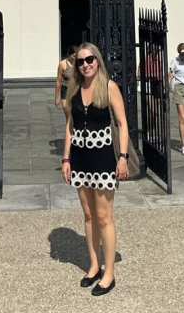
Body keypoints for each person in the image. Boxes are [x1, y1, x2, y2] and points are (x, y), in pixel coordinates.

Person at [61, 44, 129, 297]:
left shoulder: (109, 87)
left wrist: (123, 157)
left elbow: (122, 124)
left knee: (104, 216)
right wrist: (66, 159)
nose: (86, 64)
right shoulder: (74, 89)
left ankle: (109, 273)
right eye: (80, 61)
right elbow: (70, 127)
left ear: (98, 60)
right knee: (89, 215)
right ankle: (93, 266)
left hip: (102, 157)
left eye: (90, 59)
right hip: (80, 157)